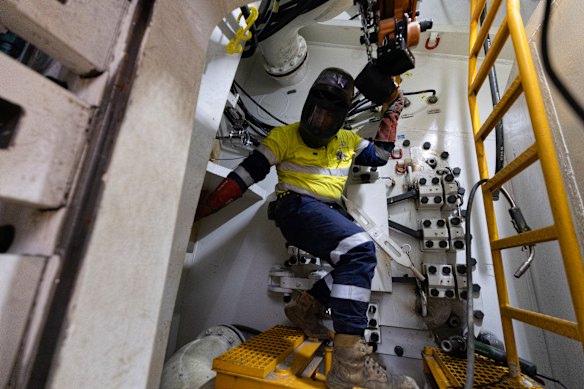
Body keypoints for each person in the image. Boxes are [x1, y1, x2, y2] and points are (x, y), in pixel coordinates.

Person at [195, 68, 417, 389]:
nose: (321, 121)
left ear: (340, 119)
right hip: (294, 207)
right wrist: (203, 208)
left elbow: (381, 156)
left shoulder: (348, 141)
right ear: (306, 106)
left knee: (353, 263)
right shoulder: (284, 136)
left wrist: (393, 109)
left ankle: (306, 306)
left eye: (330, 117)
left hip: (324, 212)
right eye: (317, 113)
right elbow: (243, 177)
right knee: (360, 248)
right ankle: (348, 365)